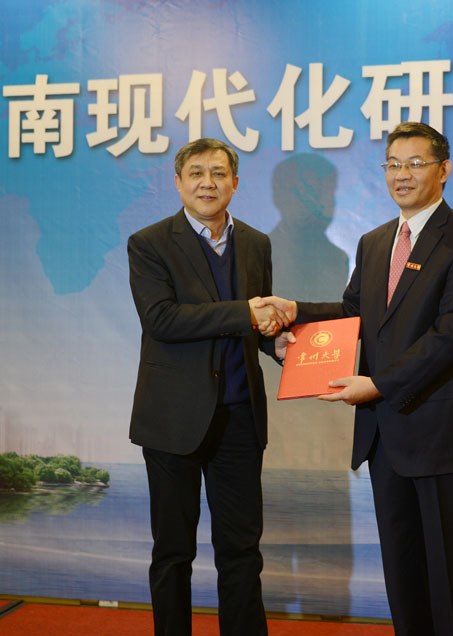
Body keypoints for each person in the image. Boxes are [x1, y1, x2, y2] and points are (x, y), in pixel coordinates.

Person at [267, 122, 453, 635]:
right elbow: (353, 313)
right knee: (404, 574)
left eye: (416, 163)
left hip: (445, 437)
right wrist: (295, 314)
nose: (402, 175)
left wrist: (378, 385)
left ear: (444, 169)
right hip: (386, 437)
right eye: (393, 164)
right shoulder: (375, 242)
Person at [127, 137, 293, 636]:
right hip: (172, 421)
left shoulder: (256, 243)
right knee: (173, 552)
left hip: (240, 417)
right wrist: (247, 313)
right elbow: (163, 320)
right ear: (178, 183)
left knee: (241, 551)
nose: (208, 183)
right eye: (196, 173)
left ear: (235, 183)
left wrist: (277, 345)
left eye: (219, 173)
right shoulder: (150, 243)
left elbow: (255, 326)